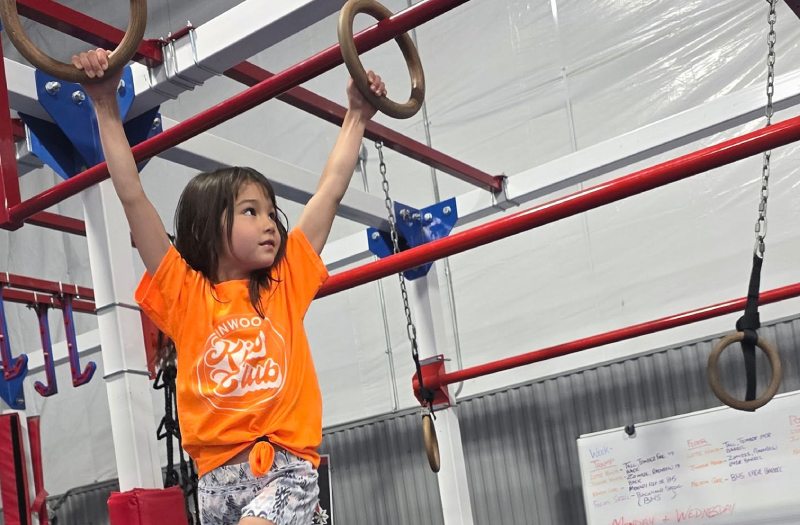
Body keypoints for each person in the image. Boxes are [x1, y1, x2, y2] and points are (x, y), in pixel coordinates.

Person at [73, 48, 386, 525]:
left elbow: (330, 189)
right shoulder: (187, 297)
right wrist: (103, 106)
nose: (270, 224)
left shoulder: (285, 283)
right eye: (250, 211)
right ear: (208, 228)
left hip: (285, 472)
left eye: (270, 212)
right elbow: (132, 197)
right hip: (215, 483)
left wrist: (357, 115)